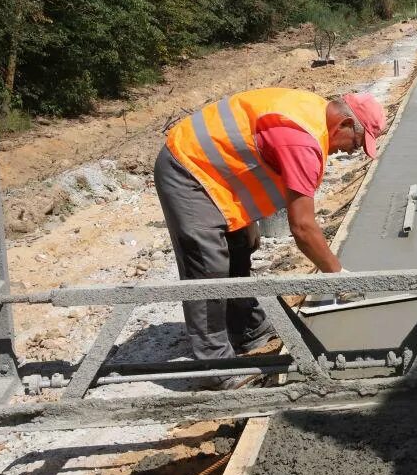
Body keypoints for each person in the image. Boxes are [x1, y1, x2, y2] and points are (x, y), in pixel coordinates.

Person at [154, 88, 386, 386]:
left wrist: (246, 219)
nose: (349, 151)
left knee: (240, 246)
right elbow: (302, 227)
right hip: (188, 169)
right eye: (355, 143)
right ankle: (216, 367)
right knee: (207, 264)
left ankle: (249, 330)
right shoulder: (303, 139)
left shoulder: (313, 113)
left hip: (219, 176)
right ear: (342, 123)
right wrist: (338, 277)